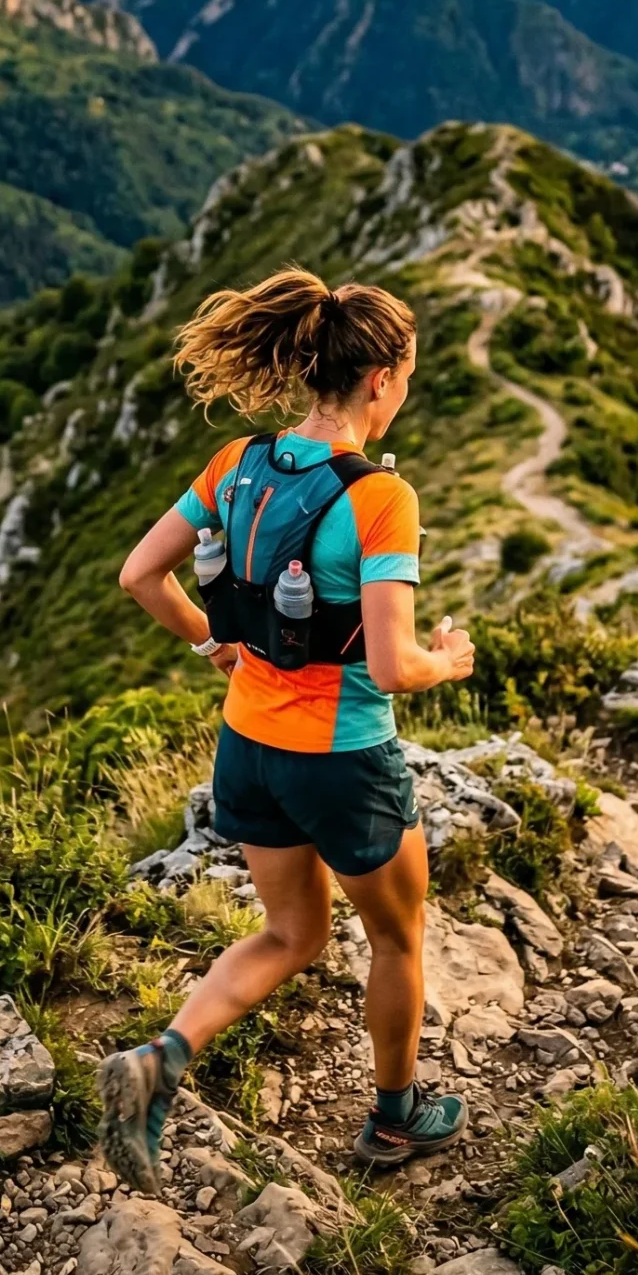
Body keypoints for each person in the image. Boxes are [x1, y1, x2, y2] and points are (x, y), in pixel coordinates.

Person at [98, 263, 476, 1195]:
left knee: (289, 933)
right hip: (344, 760)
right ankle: (394, 1122)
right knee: (395, 940)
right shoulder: (380, 498)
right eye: (407, 376)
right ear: (381, 378)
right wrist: (448, 660)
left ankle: (160, 1058)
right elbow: (390, 667)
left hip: (248, 752)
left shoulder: (238, 465)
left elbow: (140, 576)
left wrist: (216, 646)